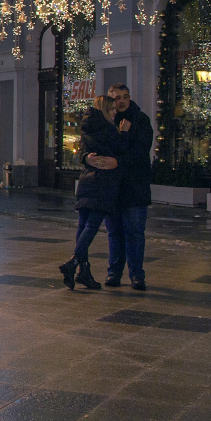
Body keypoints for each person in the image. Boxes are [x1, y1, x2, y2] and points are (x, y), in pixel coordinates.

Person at [61, 96, 122, 291]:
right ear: (104, 109)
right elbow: (120, 151)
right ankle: (73, 263)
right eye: (111, 109)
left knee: (84, 225)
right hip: (102, 183)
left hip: (86, 181)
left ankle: (83, 271)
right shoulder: (109, 129)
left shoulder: (87, 127)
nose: (115, 112)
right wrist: (124, 134)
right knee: (92, 225)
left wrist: (87, 158)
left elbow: (82, 154)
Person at [105, 84, 153, 291]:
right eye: (117, 98)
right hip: (112, 187)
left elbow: (140, 152)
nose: (121, 101)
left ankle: (136, 275)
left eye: (125, 97)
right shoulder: (106, 121)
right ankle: (114, 272)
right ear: (110, 99)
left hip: (135, 186)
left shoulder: (140, 120)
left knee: (135, 232)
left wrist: (118, 161)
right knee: (114, 232)